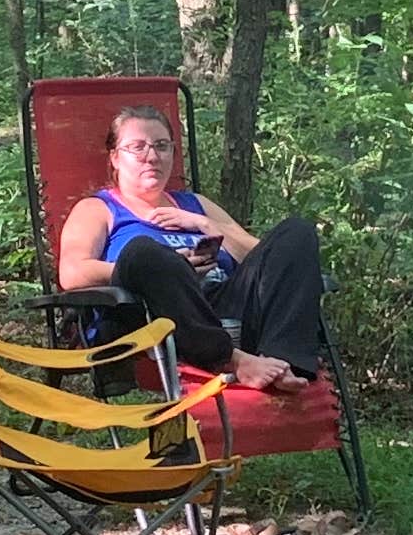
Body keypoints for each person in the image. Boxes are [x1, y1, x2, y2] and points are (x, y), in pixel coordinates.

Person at [54, 103, 331, 394]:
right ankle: (230, 360)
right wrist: (170, 267)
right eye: (137, 147)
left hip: (222, 306)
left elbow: (269, 260)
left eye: (162, 146)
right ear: (115, 158)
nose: (152, 156)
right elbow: (72, 273)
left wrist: (205, 223)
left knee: (297, 232)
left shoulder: (195, 204)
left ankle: (283, 363)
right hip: (152, 316)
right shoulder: (99, 209)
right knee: (143, 252)